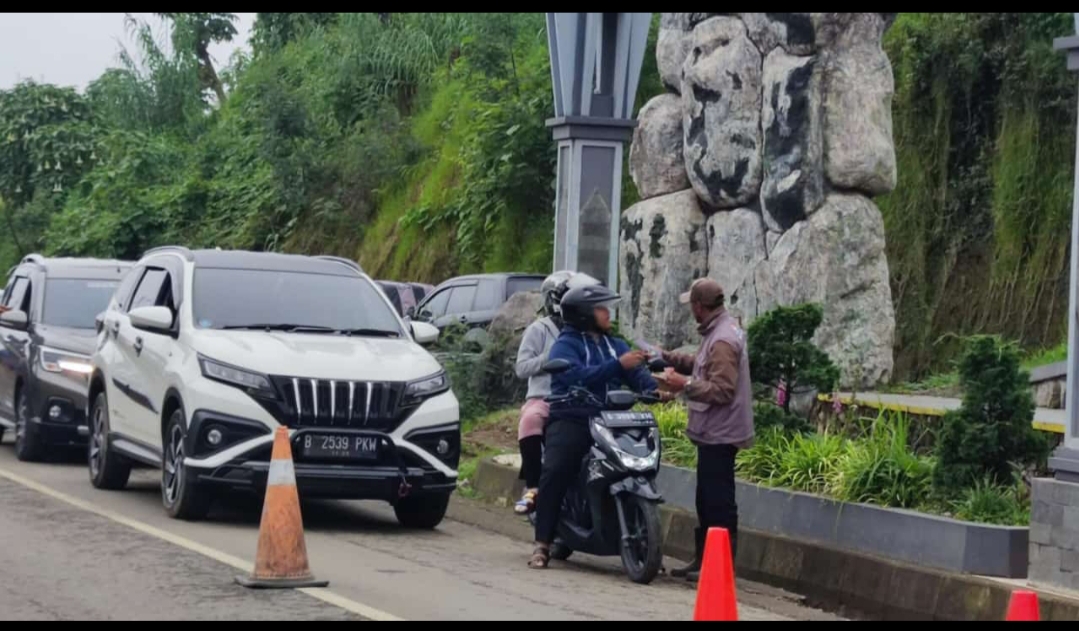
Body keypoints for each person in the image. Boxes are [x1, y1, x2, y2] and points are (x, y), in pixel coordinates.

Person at [528, 283, 659, 569]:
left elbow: (635, 373)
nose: (608, 313)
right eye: (601, 308)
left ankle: (639, 537)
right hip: (573, 418)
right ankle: (542, 543)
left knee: (635, 463)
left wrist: (654, 388)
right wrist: (618, 366)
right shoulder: (566, 344)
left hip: (611, 420)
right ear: (584, 314)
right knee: (557, 469)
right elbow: (576, 375)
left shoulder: (615, 344)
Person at [657, 278, 754, 580]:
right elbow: (702, 364)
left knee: (718, 501)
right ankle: (704, 561)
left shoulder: (722, 339)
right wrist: (668, 357)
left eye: (692, 304)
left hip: (721, 432)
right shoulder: (719, 330)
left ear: (699, 306)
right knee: (705, 498)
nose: (691, 310)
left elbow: (722, 390)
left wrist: (683, 384)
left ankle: (719, 567)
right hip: (714, 431)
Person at [512, 270, 574, 515]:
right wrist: (549, 358)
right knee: (530, 419)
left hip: (576, 398)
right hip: (544, 397)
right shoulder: (539, 330)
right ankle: (533, 486)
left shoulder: (582, 330)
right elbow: (522, 368)